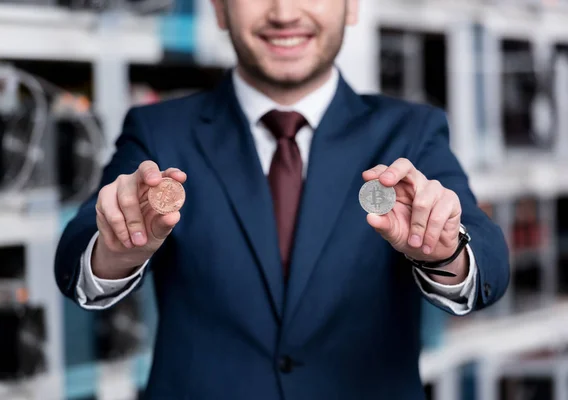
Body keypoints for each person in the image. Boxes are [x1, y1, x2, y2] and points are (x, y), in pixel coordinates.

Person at [55, 0, 510, 398]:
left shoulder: (411, 132)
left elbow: (488, 264)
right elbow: (75, 256)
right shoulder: (159, 132)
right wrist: (116, 249)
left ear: (351, 5)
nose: (284, 12)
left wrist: (445, 251)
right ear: (218, 7)